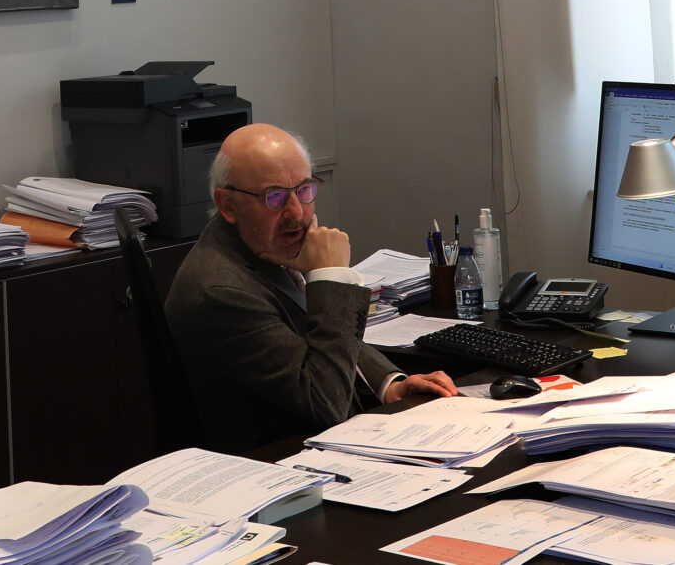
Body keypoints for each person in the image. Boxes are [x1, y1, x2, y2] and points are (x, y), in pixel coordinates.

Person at [165, 123, 458, 451]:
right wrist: (331, 277)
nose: (296, 212)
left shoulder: (259, 244)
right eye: (274, 196)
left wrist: (389, 384)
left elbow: (322, 340)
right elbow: (326, 404)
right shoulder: (222, 291)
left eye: (304, 190)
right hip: (276, 457)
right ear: (228, 205)